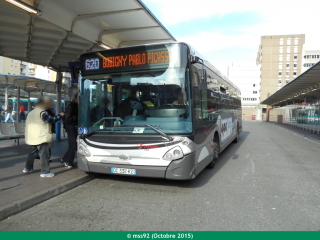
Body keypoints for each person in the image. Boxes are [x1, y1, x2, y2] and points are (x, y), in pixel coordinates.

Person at [23, 96, 65, 177]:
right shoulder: (41, 112)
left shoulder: (31, 112)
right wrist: (60, 115)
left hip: (33, 136)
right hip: (41, 136)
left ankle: (27, 168)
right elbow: (52, 119)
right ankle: (45, 172)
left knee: (32, 153)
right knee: (44, 154)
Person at [61, 95, 78, 168]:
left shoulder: (75, 105)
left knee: (73, 145)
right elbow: (68, 118)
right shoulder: (71, 106)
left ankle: (64, 159)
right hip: (70, 126)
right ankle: (68, 162)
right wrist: (76, 117)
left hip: (72, 126)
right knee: (73, 145)